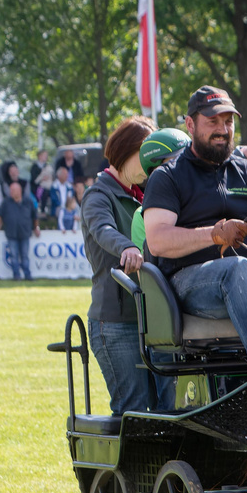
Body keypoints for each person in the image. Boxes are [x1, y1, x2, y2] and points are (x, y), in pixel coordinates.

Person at [141, 85, 247, 372]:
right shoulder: (167, 177)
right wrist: (214, 234)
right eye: (213, 121)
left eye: (228, 122)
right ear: (190, 124)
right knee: (237, 268)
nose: (223, 129)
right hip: (188, 283)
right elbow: (157, 241)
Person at [83, 116, 165, 414]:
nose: (148, 163)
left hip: (152, 320)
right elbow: (103, 230)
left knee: (160, 409)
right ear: (124, 151)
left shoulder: (148, 194)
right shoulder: (98, 195)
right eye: (142, 154)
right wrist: (127, 246)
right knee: (134, 408)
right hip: (116, 323)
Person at [0, 178, 37, 279]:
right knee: (13, 256)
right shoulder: (6, 202)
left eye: (13, 190)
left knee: (25, 256)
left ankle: (27, 275)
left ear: (19, 191)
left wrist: (36, 228)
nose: (11, 192)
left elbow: (35, 216)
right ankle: (16, 275)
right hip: (11, 233)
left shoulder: (28, 201)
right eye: (11, 190)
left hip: (25, 233)